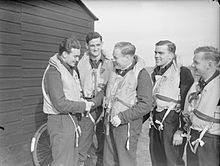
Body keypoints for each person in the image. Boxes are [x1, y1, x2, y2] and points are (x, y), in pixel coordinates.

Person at [42, 36, 94, 166]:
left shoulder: (69, 69)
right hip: (60, 121)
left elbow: (72, 94)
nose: (77, 60)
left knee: (71, 160)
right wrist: (83, 106)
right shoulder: (54, 72)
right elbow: (59, 104)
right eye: (75, 56)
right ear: (64, 54)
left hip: (70, 119)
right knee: (62, 162)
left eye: (79, 56)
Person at [103, 42, 153, 166]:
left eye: (116, 57)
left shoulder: (141, 75)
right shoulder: (116, 71)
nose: (113, 60)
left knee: (125, 161)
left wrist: (121, 117)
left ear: (127, 58)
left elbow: (145, 105)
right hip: (110, 122)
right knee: (109, 160)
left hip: (127, 126)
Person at [149, 40, 194, 166]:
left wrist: (181, 130)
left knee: (172, 161)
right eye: (155, 52)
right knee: (157, 159)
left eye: (161, 53)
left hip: (173, 122)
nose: (156, 56)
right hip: (156, 122)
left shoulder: (183, 72)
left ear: (171, 55)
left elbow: (188, 104)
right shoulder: (156, 72)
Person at [77, 32, 113, 166]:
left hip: (104, 107)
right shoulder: (81, 63)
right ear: (87, 46)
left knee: (103, 144)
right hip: (87, 107)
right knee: (83, 143)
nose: (95, 48)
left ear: (102, 44)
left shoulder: (110, 63)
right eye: (92, 45)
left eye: (98, 45)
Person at [182, 46, 220, 166]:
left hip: (211, 141)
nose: (192, 65)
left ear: (209, 64)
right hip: (194, 135)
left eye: (196, 62)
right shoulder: (199, 83)